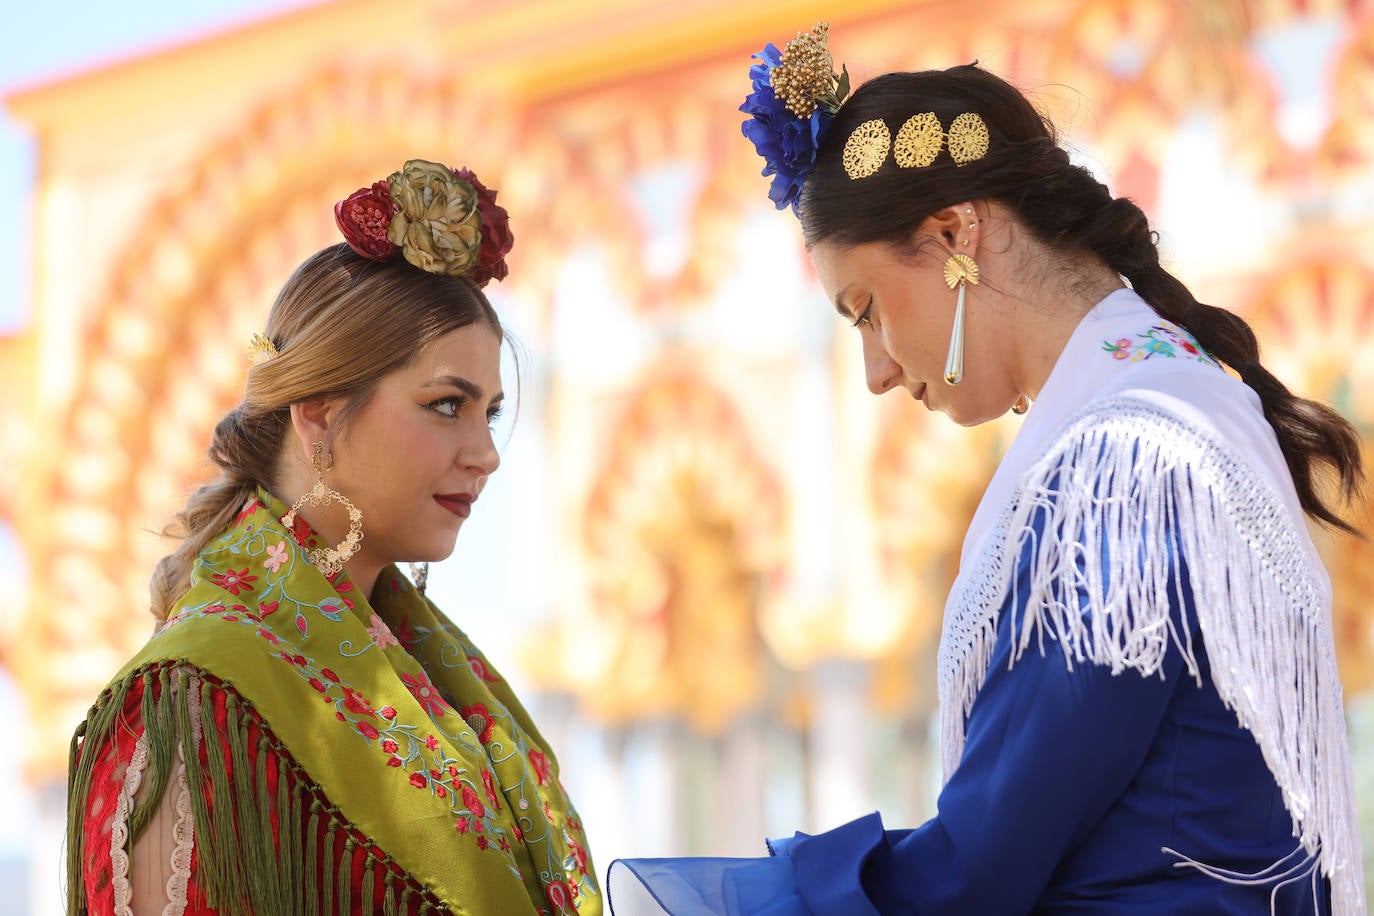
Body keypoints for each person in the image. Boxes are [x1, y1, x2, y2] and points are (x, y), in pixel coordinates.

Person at [607, 22, 1367, 915]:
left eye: (866, 310)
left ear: (954, 233)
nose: (877, 370)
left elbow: (983, 859)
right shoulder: (1179, 407)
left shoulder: (1121, 468)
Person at [66, 159, 600, 915]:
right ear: (318, 415)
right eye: (447, 405)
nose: (486, 454)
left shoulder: (444, 688)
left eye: (491, 413)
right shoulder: (198, 700)